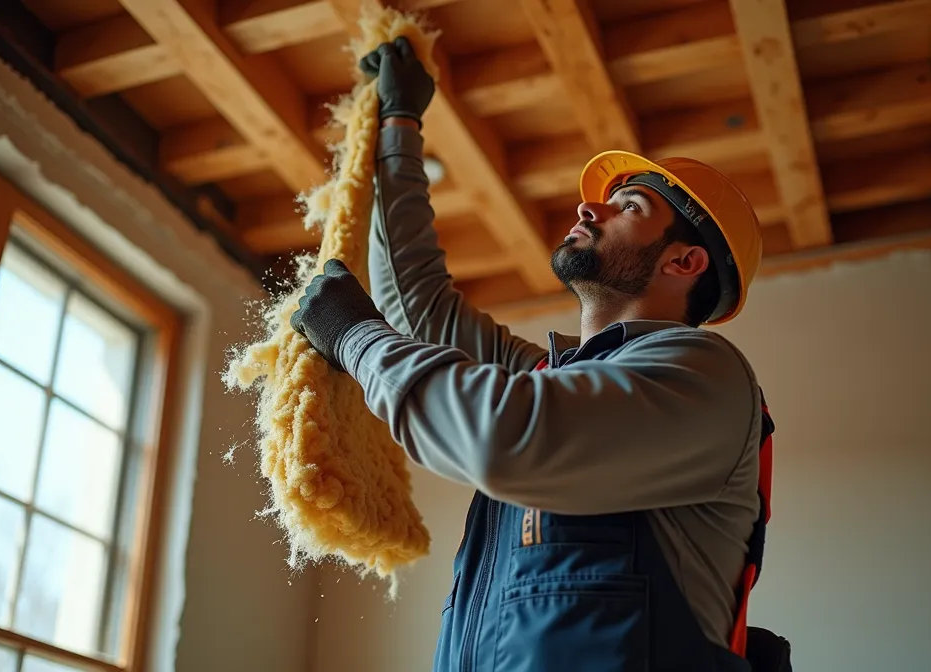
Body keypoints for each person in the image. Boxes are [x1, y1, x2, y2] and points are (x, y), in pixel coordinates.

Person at [291, 38, 781, 672]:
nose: (589, 206)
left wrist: (354, 337)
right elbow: (418, 308)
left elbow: (502, 436)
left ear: (683, 261)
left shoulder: (704, 376)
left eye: (629, 205)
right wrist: (398, 126)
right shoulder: (551, 378)